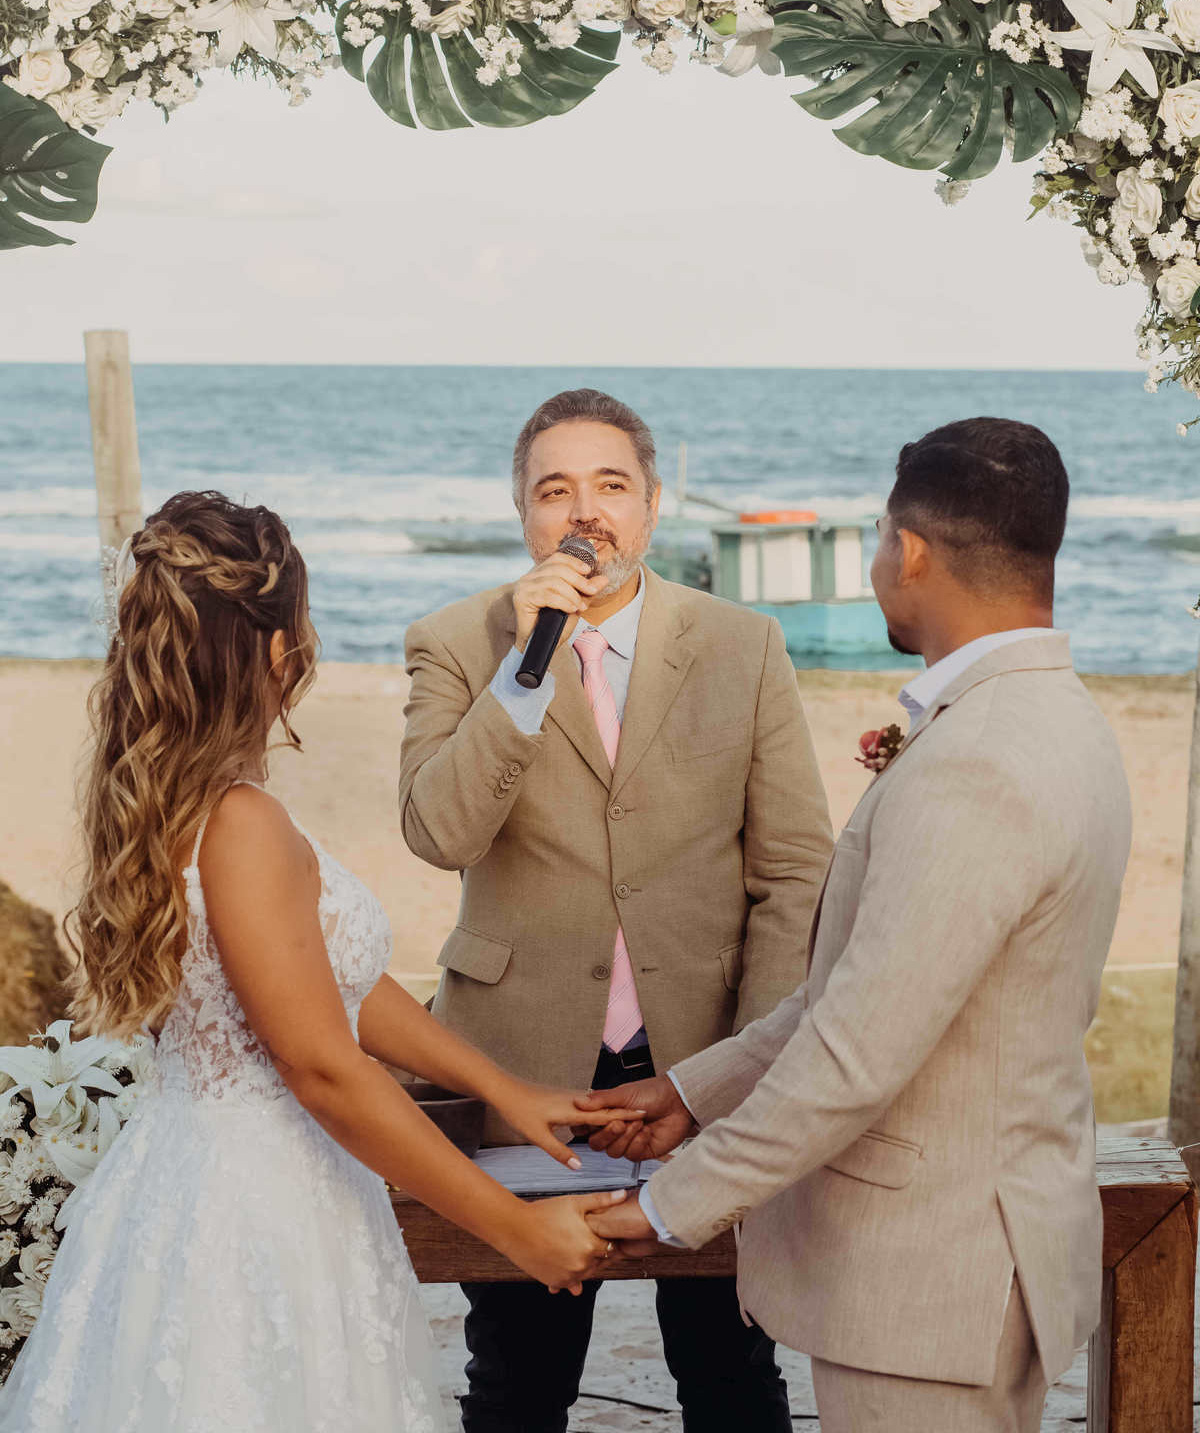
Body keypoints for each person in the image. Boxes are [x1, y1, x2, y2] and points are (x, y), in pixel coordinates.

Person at [0, 490, 640, 1433]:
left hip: (196, 1178)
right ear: (275, 649)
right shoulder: (243, 824)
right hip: (253, 1213)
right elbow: (320, 1065)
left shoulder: (184, 797)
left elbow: (324, 986)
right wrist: (513, 1232)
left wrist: (501, 1088)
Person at [587, 417, 1133, 1433]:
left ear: (910, 549)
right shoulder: (1055, 716)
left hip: (935, 1279)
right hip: (974, 1255)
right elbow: (866, 989)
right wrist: (693, 1092)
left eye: (882, 539)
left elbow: (856, 1053)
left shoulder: (982, 761)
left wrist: (666, 1208)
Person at [399, 388, 834, 1433]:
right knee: (518, 1384)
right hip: (521, 1081)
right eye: (556, 490)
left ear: (650, 507)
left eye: (610, 486)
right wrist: (525, 666)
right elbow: (435, 834)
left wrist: (732, 1074)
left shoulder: (743, 644)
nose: (584, 512)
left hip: (702, 1081)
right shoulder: (458, 644)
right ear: (523, 514)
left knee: (731, 1380)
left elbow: (795, 875)